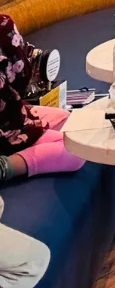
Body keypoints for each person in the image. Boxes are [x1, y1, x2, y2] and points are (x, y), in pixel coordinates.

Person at [0, 15, 82, 185]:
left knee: (66, 118)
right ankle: (7, 167)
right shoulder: (3, 26)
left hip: (10, 114)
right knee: (78, 150)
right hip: (6, 129)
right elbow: (22, 79)